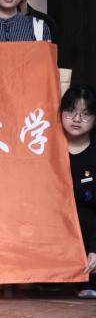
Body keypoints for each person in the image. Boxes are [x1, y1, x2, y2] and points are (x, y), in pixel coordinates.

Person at [60, 84, 96, 298]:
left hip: (87, 225)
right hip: (54, 221)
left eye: (85, 113)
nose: (76, 119)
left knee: (85, 215)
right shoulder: (43, 146)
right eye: (70, 111)